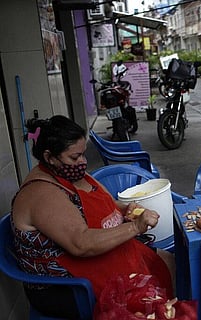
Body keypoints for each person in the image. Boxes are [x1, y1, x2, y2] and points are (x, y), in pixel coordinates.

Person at [11, 115, 174, 318]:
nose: (83, 162)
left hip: (102, 256)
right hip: (67, 285)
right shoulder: (41, 193)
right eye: (74, 157)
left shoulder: (68, 173)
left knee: (168, 262)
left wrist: (125, 209)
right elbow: (81, 244)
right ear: (49, 156)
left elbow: (108, 204)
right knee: (147, 298)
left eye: (83, 154)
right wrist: (134, 228)